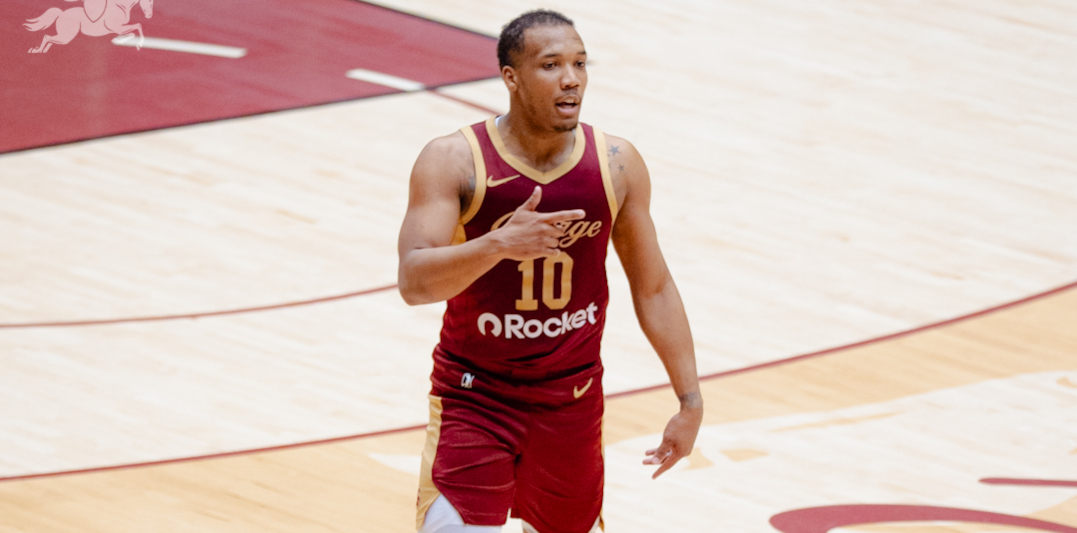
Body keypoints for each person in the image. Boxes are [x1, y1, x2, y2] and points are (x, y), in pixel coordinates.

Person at [397, 10, 701, 533]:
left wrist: (689, 399)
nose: (571, 78)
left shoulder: (616, 164)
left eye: (580, 63)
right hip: (475, 398)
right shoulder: (454, 161)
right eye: (551, 65)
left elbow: (653, 287)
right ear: (511, 77)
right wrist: (498, 244)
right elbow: (414, 282)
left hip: (571, 406)